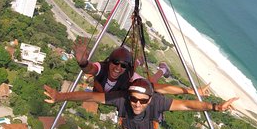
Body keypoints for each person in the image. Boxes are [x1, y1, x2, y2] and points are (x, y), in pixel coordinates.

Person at [44, 78, 236, 129]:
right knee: (151, 86)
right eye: (133, 99)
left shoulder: (157, 102)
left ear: (150, 100)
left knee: (156, 85)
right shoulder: (121, 98)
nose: (136, 104)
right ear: (128, 96)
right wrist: (60, 96)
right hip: (127, 127)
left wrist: (216, 107)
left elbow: (187, 104)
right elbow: (89, 96)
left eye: (142, 101)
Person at [73, 38, 209, 96]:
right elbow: (90, 69)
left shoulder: (127, 75)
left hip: (127, 78)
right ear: (109, 61)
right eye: (115, 63)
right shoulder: (102, 68)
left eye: (122, 65)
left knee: (149, 84)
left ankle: (162, 68)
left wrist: (193, 91)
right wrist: (83, 63)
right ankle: (139, 60)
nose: (117, 67)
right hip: (117, 84)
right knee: (127, 69)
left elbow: (162, 89)